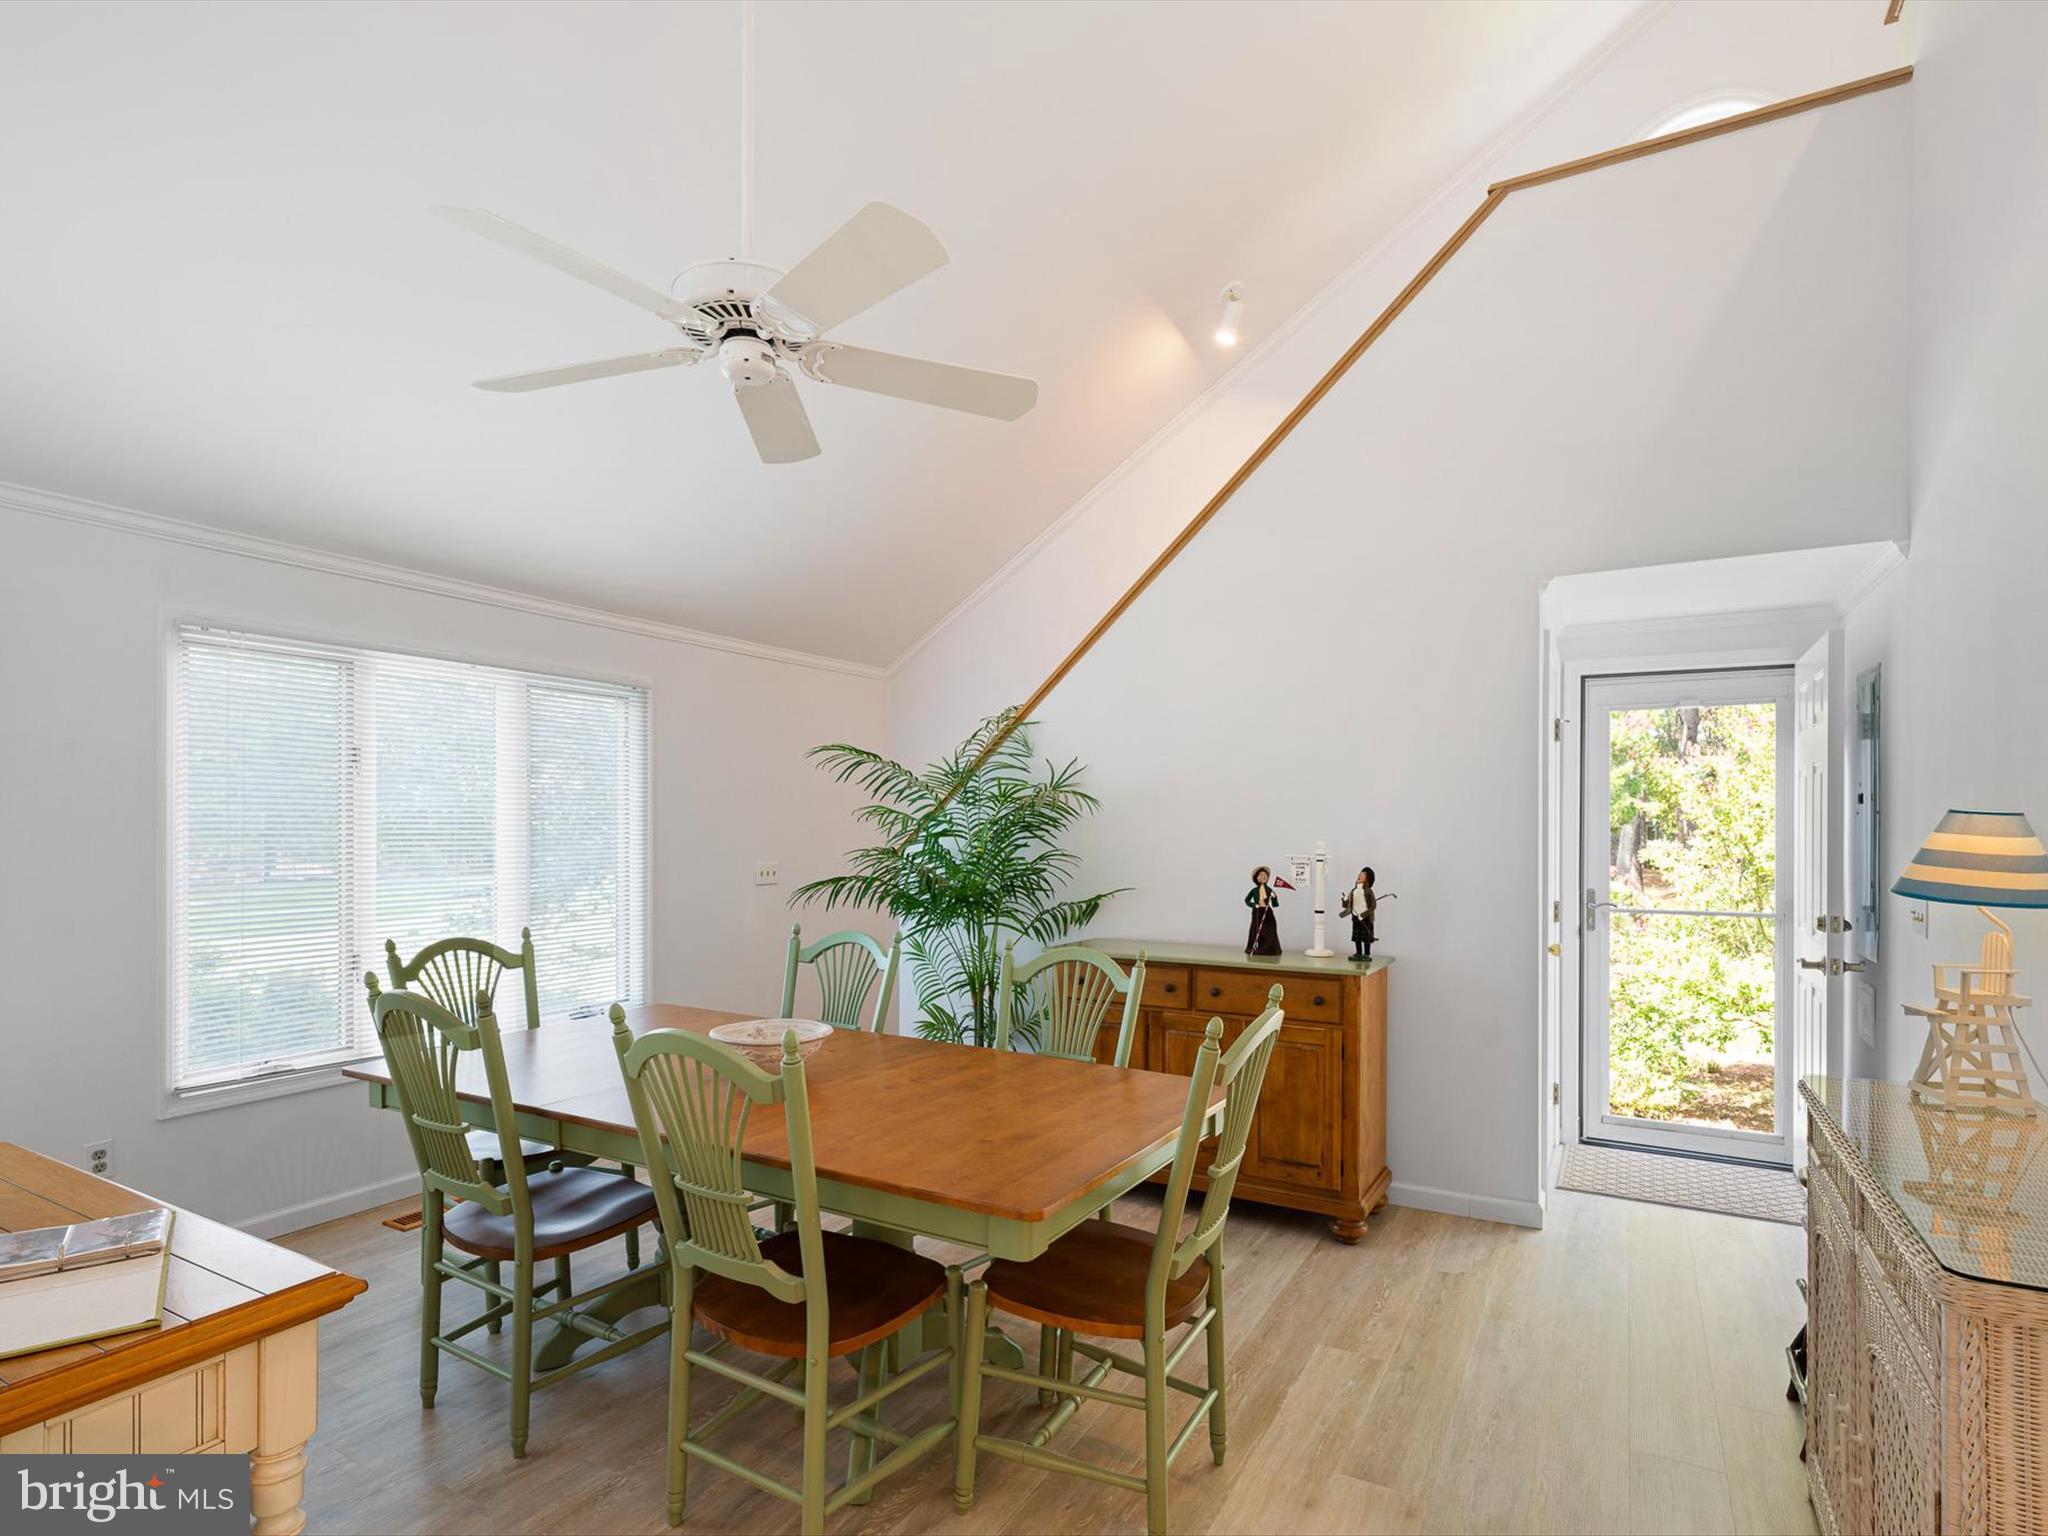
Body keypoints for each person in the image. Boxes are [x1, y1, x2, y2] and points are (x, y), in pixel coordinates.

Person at [1341, 867, 1377, 961]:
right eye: (1360, 874)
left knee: (1366, 937)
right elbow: (1347, 905)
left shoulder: (1368, 891)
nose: (1359, 875)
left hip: (1366, 918)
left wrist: (1364, 915)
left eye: (1363, 875)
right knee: (1357, 936)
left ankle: (1367, 954)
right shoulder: (1353, 891)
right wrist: (1344, 900)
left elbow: (1373, 906)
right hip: (1355, 916)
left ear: (1367, 878)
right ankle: (1358, 953)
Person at [1244, 865, 1282, 955]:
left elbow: (1275, 905)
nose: (1263, 877)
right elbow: (1246, 900)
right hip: (1257, 912)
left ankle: (1269, 949)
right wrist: (1254, 905)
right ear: (1256, 878)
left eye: (1265, 875)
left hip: (1267, 912)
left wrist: (1274, 897)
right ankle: (1254, 948)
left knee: (1270, 931)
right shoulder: (1254, 890)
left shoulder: (1269, 890)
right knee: (1256, 930)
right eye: (1260, 875)